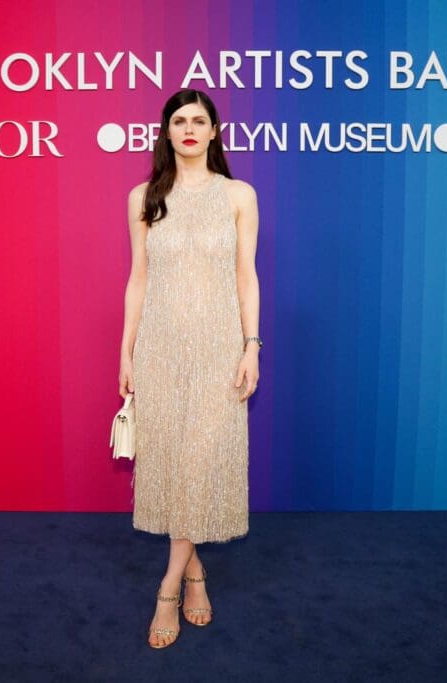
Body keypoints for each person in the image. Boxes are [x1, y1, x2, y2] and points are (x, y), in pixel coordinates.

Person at [118, 89, 261, 649]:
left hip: (219, 349)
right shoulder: (144, 197)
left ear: (214, 131)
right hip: (159, 350)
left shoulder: (239, 195)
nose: (189, 129)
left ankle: (168, 588)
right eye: (179, 121)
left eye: (199, 120)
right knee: (175, 465)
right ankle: (196, 572)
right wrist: (126, 351)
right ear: (167, 132)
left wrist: (252, 347)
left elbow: (246, 275)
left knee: (201, 461)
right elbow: (138, 279)